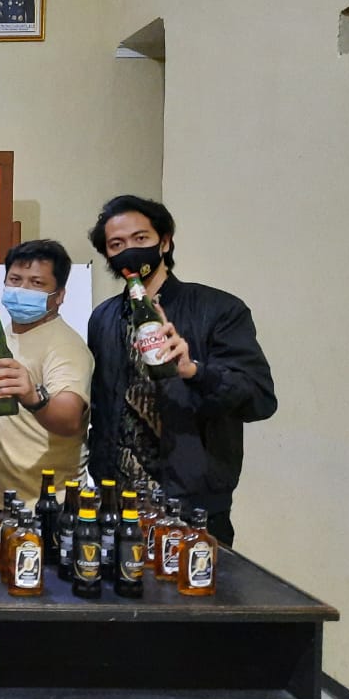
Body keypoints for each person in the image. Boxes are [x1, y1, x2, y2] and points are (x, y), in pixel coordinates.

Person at [86, 195, 277, 545]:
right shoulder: (103, 317)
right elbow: (102, 404)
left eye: (140, 238)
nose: (129, 250)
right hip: (115, 504)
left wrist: (194, 371)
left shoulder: (219, 309)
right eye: (117, 244)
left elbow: (260, 400)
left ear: (164, 241)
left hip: (192, 508)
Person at [0, 240, 92, 515]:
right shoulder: (7, 332)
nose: (22, 290)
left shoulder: (66, 346)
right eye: (15, 279)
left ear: (59, 296)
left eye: (37, 283)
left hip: (43, 503)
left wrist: (34, 397)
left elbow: (70, 418)